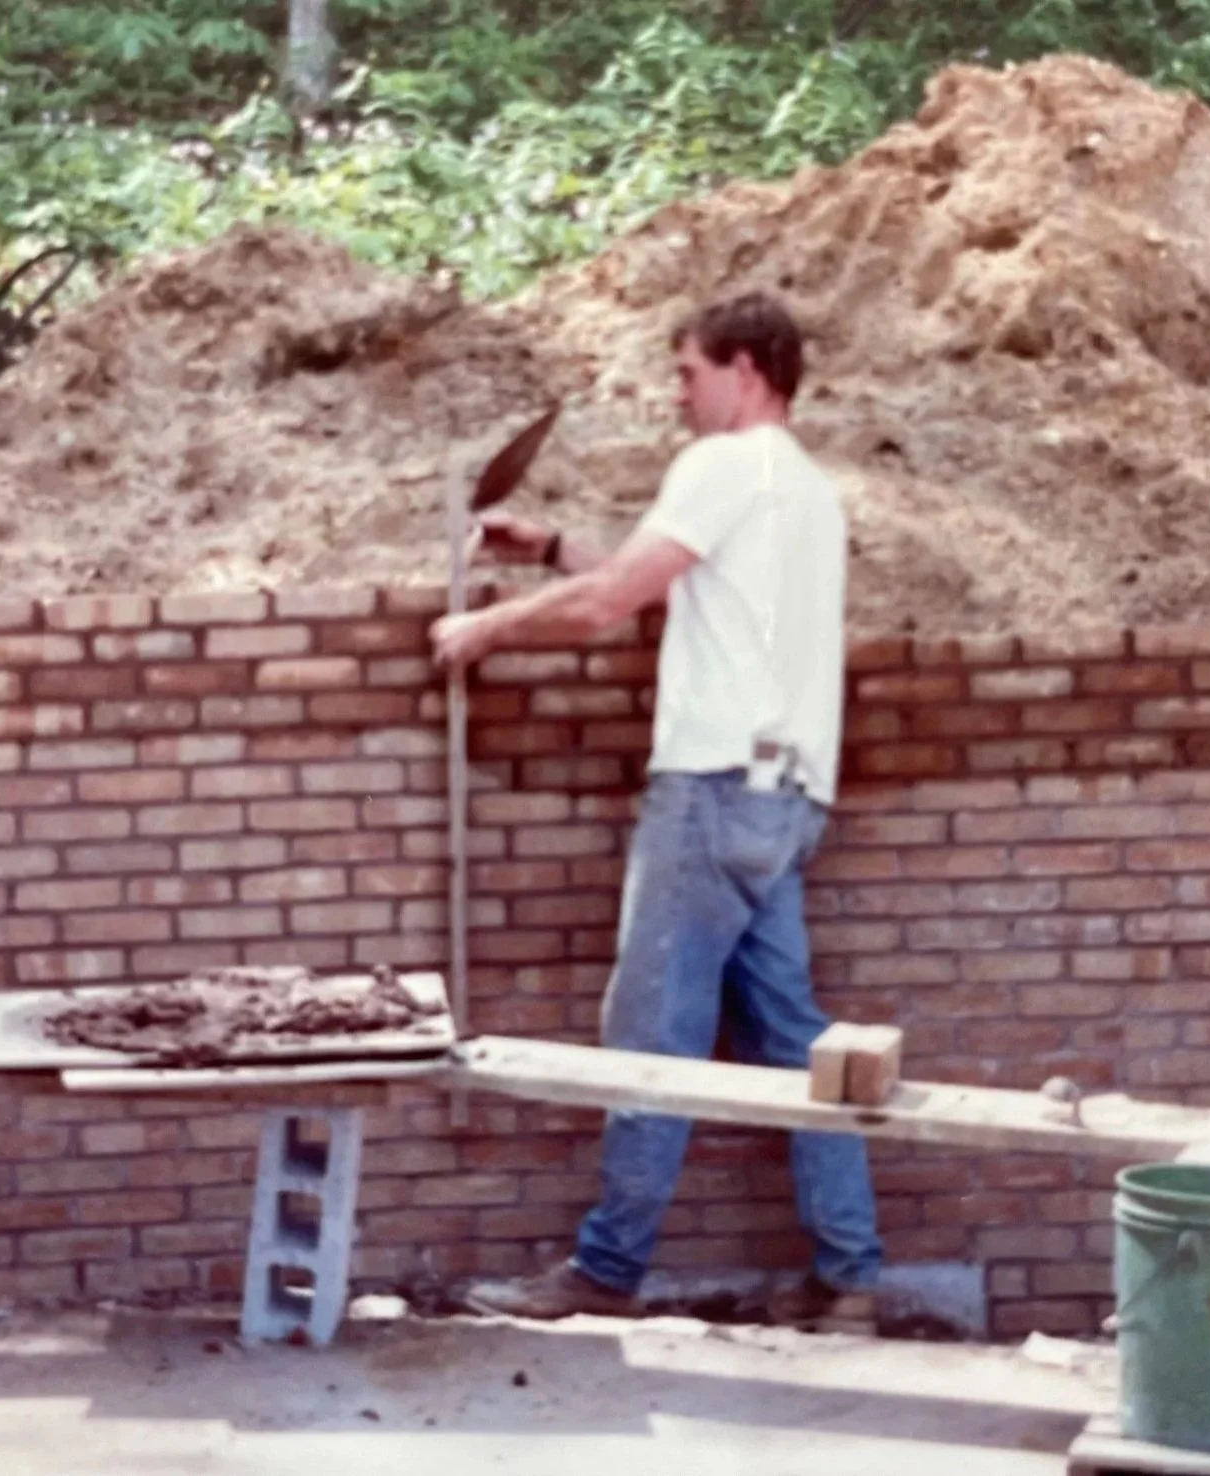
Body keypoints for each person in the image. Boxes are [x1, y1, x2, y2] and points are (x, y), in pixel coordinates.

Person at [430, 292, 884, 1328]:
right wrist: (550, 548)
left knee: (650, 1038)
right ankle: (852, 1277)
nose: (678, 393)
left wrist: (485, 632)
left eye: (689, 372)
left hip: (713, 792)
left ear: (748, 371)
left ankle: (606, 1272)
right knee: (797, 1048)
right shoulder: (806, 491)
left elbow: (614, 602)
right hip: (785, 801)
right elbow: (680, 588)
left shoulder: (722, 466)